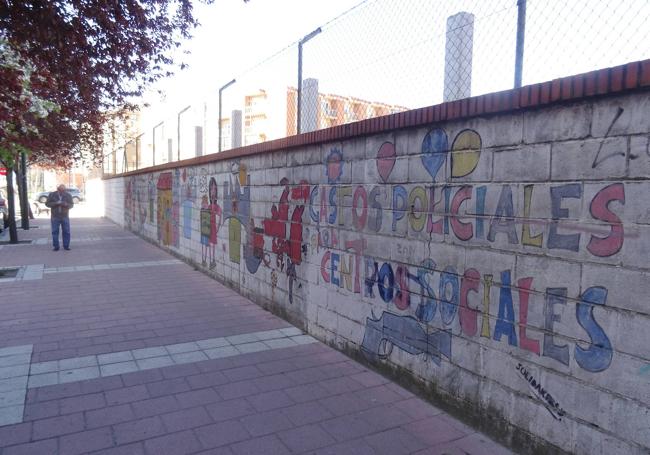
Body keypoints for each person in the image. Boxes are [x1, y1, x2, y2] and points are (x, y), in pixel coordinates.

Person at [45, 184, 74, 251]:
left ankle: (66, 246)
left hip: (65, 216)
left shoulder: (68, 195)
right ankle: (56, 246)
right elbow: (47, 204)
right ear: (58, 189)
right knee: (55, 231)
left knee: (66, 231)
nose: (62, 192)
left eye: (63, 191)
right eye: (60, 190)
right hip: (55, 216)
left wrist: (66, 204)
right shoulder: (52, 195)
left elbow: (71, 205)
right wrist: (56, 203)